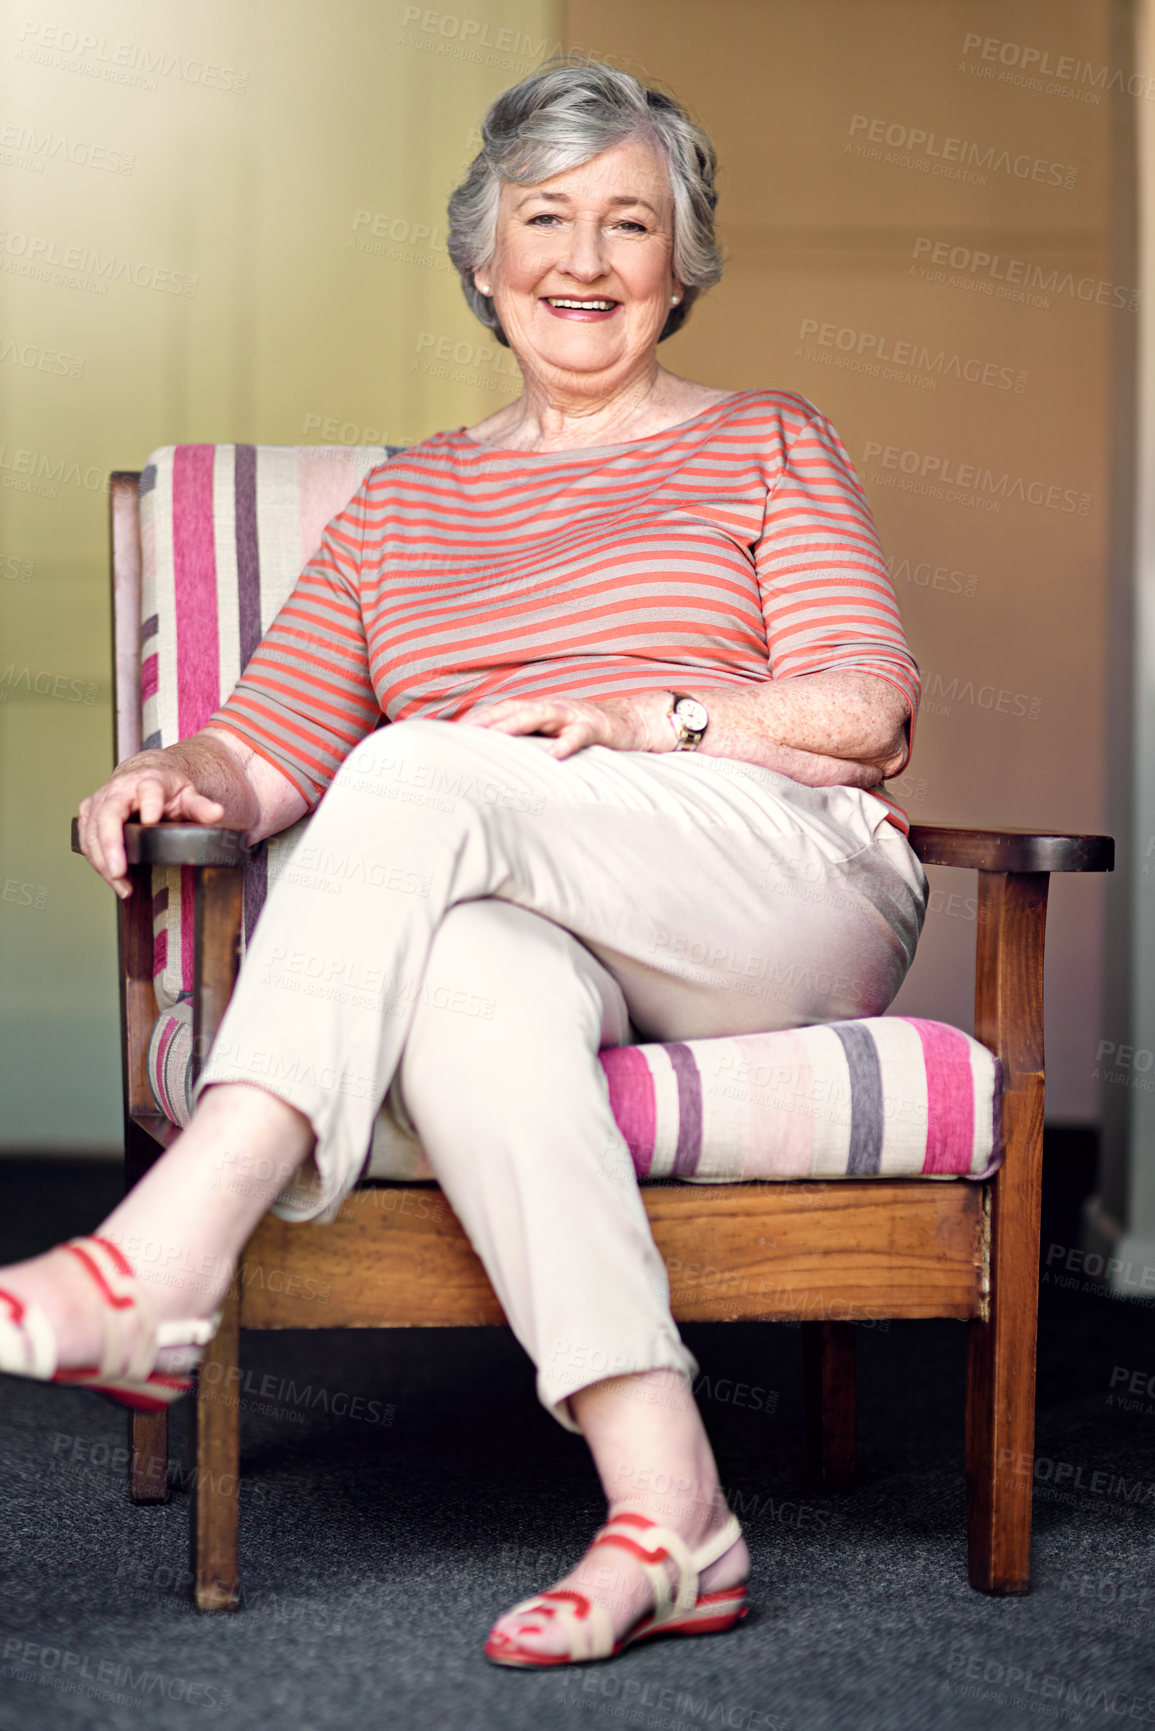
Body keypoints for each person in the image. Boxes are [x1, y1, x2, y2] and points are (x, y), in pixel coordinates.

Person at [0, 57, 926, 1666]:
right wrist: (171, 768)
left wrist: (641, 713)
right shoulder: (398, 503)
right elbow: (269, 747)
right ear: (484, 262)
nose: (585, 258)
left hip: (778, 884)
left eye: (630, 222)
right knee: (473, 981)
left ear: (681, 264)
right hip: (534, 904)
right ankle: (673, 1517)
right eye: (546, 219)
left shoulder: (763, 440)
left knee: (428, 761)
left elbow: (868, 712)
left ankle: (166, 1252)